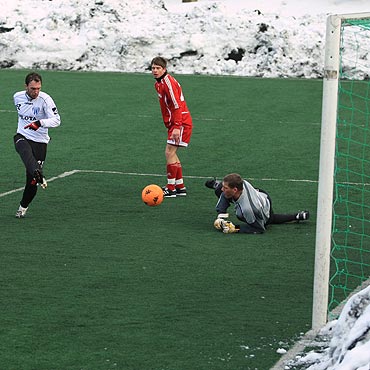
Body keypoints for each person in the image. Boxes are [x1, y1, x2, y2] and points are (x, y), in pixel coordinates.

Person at [13, 72, 61, 218]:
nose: (36, 92)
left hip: (40, 142)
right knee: (23, 149)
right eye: (33, 88)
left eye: (38, 88)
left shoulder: (45, 100)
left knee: (32, 182)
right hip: (22, 135)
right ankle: (35, 170)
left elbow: (57, 120)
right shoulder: (17, 97)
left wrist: (39, 123)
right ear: (26, 86)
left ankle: (23, 207)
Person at [205, 173, 309, 234]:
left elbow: (259, 229)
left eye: (225, 187)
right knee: (219, 190)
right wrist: (221, 216)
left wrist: (235, 228)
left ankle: (296, 216)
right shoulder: (242, 182)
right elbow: (228, 190)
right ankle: (217, 184)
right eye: (224, 186)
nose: (223, 189)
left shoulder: (247, 210)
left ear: (235, 189)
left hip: (264, 208)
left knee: (270, 220)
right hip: (258, 193)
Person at [151, 56, 193, 198]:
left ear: (164, 69)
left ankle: (170, 188)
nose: (155, 71)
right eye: (153, 68)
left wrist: (176, 126)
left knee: (169, 152)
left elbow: (176, 105)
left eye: (158, 68)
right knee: (172, 153)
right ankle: (180, 186)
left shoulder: (168, 82)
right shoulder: (159, 84)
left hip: (180, 122)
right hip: (176, 122)